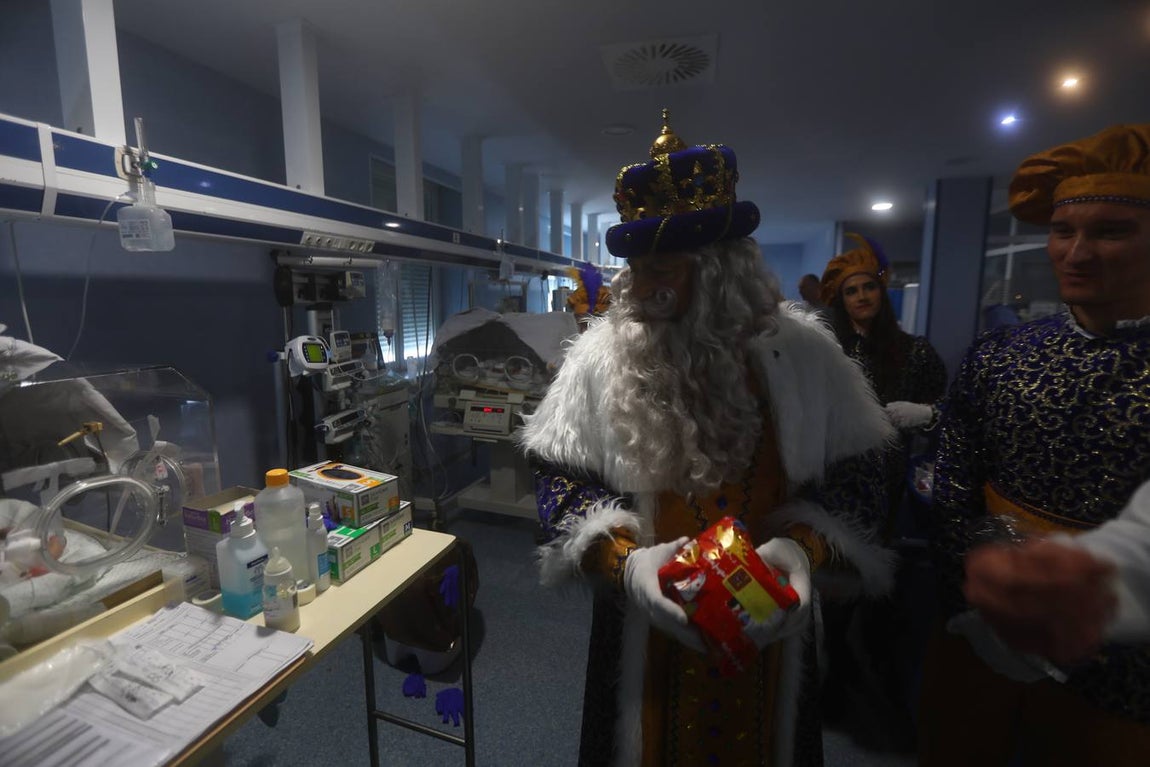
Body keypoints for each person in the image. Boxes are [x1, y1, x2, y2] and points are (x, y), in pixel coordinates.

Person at [519, 111, 896, 766]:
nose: (644, 289)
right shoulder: (597, 358)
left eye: (664, 268)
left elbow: (866, 483)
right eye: (638, 270)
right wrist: (624, 561)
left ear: (722, 270)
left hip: (771, 634)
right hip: (643, 636)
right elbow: (557, 477)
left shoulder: (808, 356)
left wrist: (802, 553)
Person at [920, 123, 1150, 766]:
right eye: (1062, 231)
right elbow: (953, 477)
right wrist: (974, 584)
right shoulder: (1003, 354)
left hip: (1126, 656)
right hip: (984, 615)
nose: (1078, 252)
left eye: (1112, 231)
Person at [819, 233, 948, 537]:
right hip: (832, 473)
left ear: (882, 291)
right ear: (842, 301)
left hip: (889, 474)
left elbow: (954, 411)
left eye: (869, 287)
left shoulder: (916, 352)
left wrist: (928, 414)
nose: (861, 296)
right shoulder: (826, 351)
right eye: (851, 291)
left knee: (881, 553)